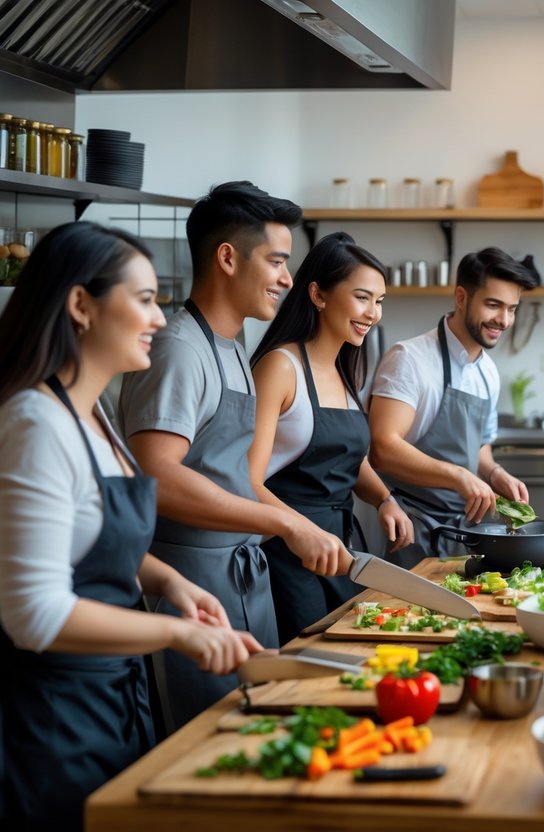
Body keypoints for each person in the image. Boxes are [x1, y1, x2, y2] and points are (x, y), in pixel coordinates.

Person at [0, 223, 261, 832]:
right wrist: (175, 636)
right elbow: (32, 614)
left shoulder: (93, 416)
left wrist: (170, 581)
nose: (160, 319)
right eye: (144, 300)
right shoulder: (35, 424)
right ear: (81, 305)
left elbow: (88, 533)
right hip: (52, 715)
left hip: (114, 694)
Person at [119, 181, 343, 731]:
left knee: (252, 732)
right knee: (202, 745)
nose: (288, 279)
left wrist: (290, 525)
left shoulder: (233, 345)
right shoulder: (178, 348)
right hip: (189, 585)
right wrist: (282, 523)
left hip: (241, 579)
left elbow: (236, 474)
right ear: (227, 257)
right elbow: (158, 477)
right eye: (277, 261)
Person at [249, 232, 414, 640]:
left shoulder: (344, 369)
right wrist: (300, 532)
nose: (373, 313)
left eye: (379, 301)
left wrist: (384, 498)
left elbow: (348, 458)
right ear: (318, 295)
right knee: (312, 660)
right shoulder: (280, 367)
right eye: (362, 297)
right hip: (289, 551)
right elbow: (246, 482)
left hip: (340, 546)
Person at [369, 247, 536, 566]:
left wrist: (495, 473)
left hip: (466, 532)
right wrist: (458, 475)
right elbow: (382, 447)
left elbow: (478, 448)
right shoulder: (410, 359)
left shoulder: (488, 371)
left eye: (512, 309)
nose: (504, 320)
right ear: (461, 297)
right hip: (412, 530)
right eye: (493, 305)